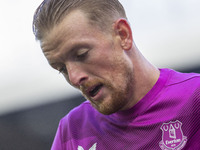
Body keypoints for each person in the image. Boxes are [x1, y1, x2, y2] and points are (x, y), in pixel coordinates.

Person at [32, 0, 200, 149]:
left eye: (81, 54)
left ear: (122, 34)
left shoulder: (195, 98)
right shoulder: (72, 130)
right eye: (61, 69)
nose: (74, 78)